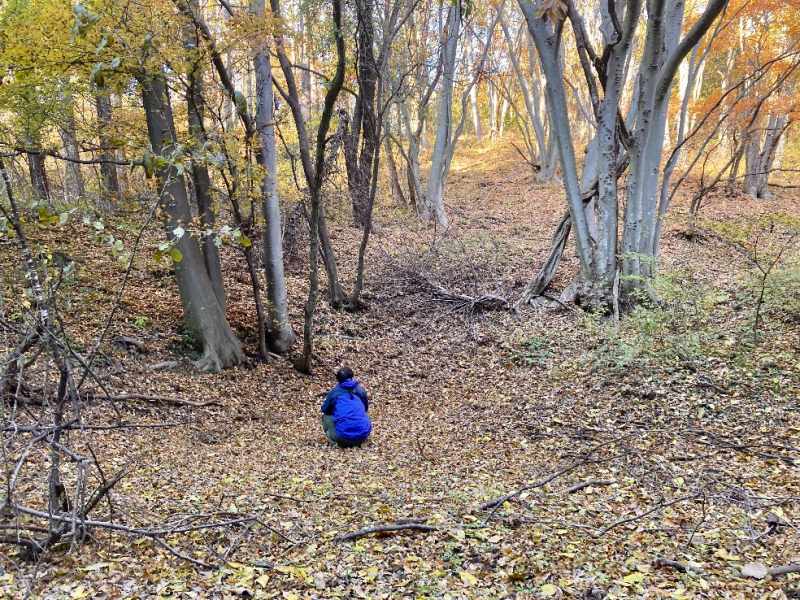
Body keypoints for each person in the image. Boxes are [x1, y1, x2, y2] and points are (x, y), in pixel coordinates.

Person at [321, 367, 372, 447]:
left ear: (338, 380)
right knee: (363, 413)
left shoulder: (335, 392)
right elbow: (365, 408)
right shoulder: (360, 390)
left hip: (343, 437)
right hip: (363, 435)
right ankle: (359, 437)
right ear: (352, 377)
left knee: (326, 416)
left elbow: (325, 409)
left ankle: (336, 441)